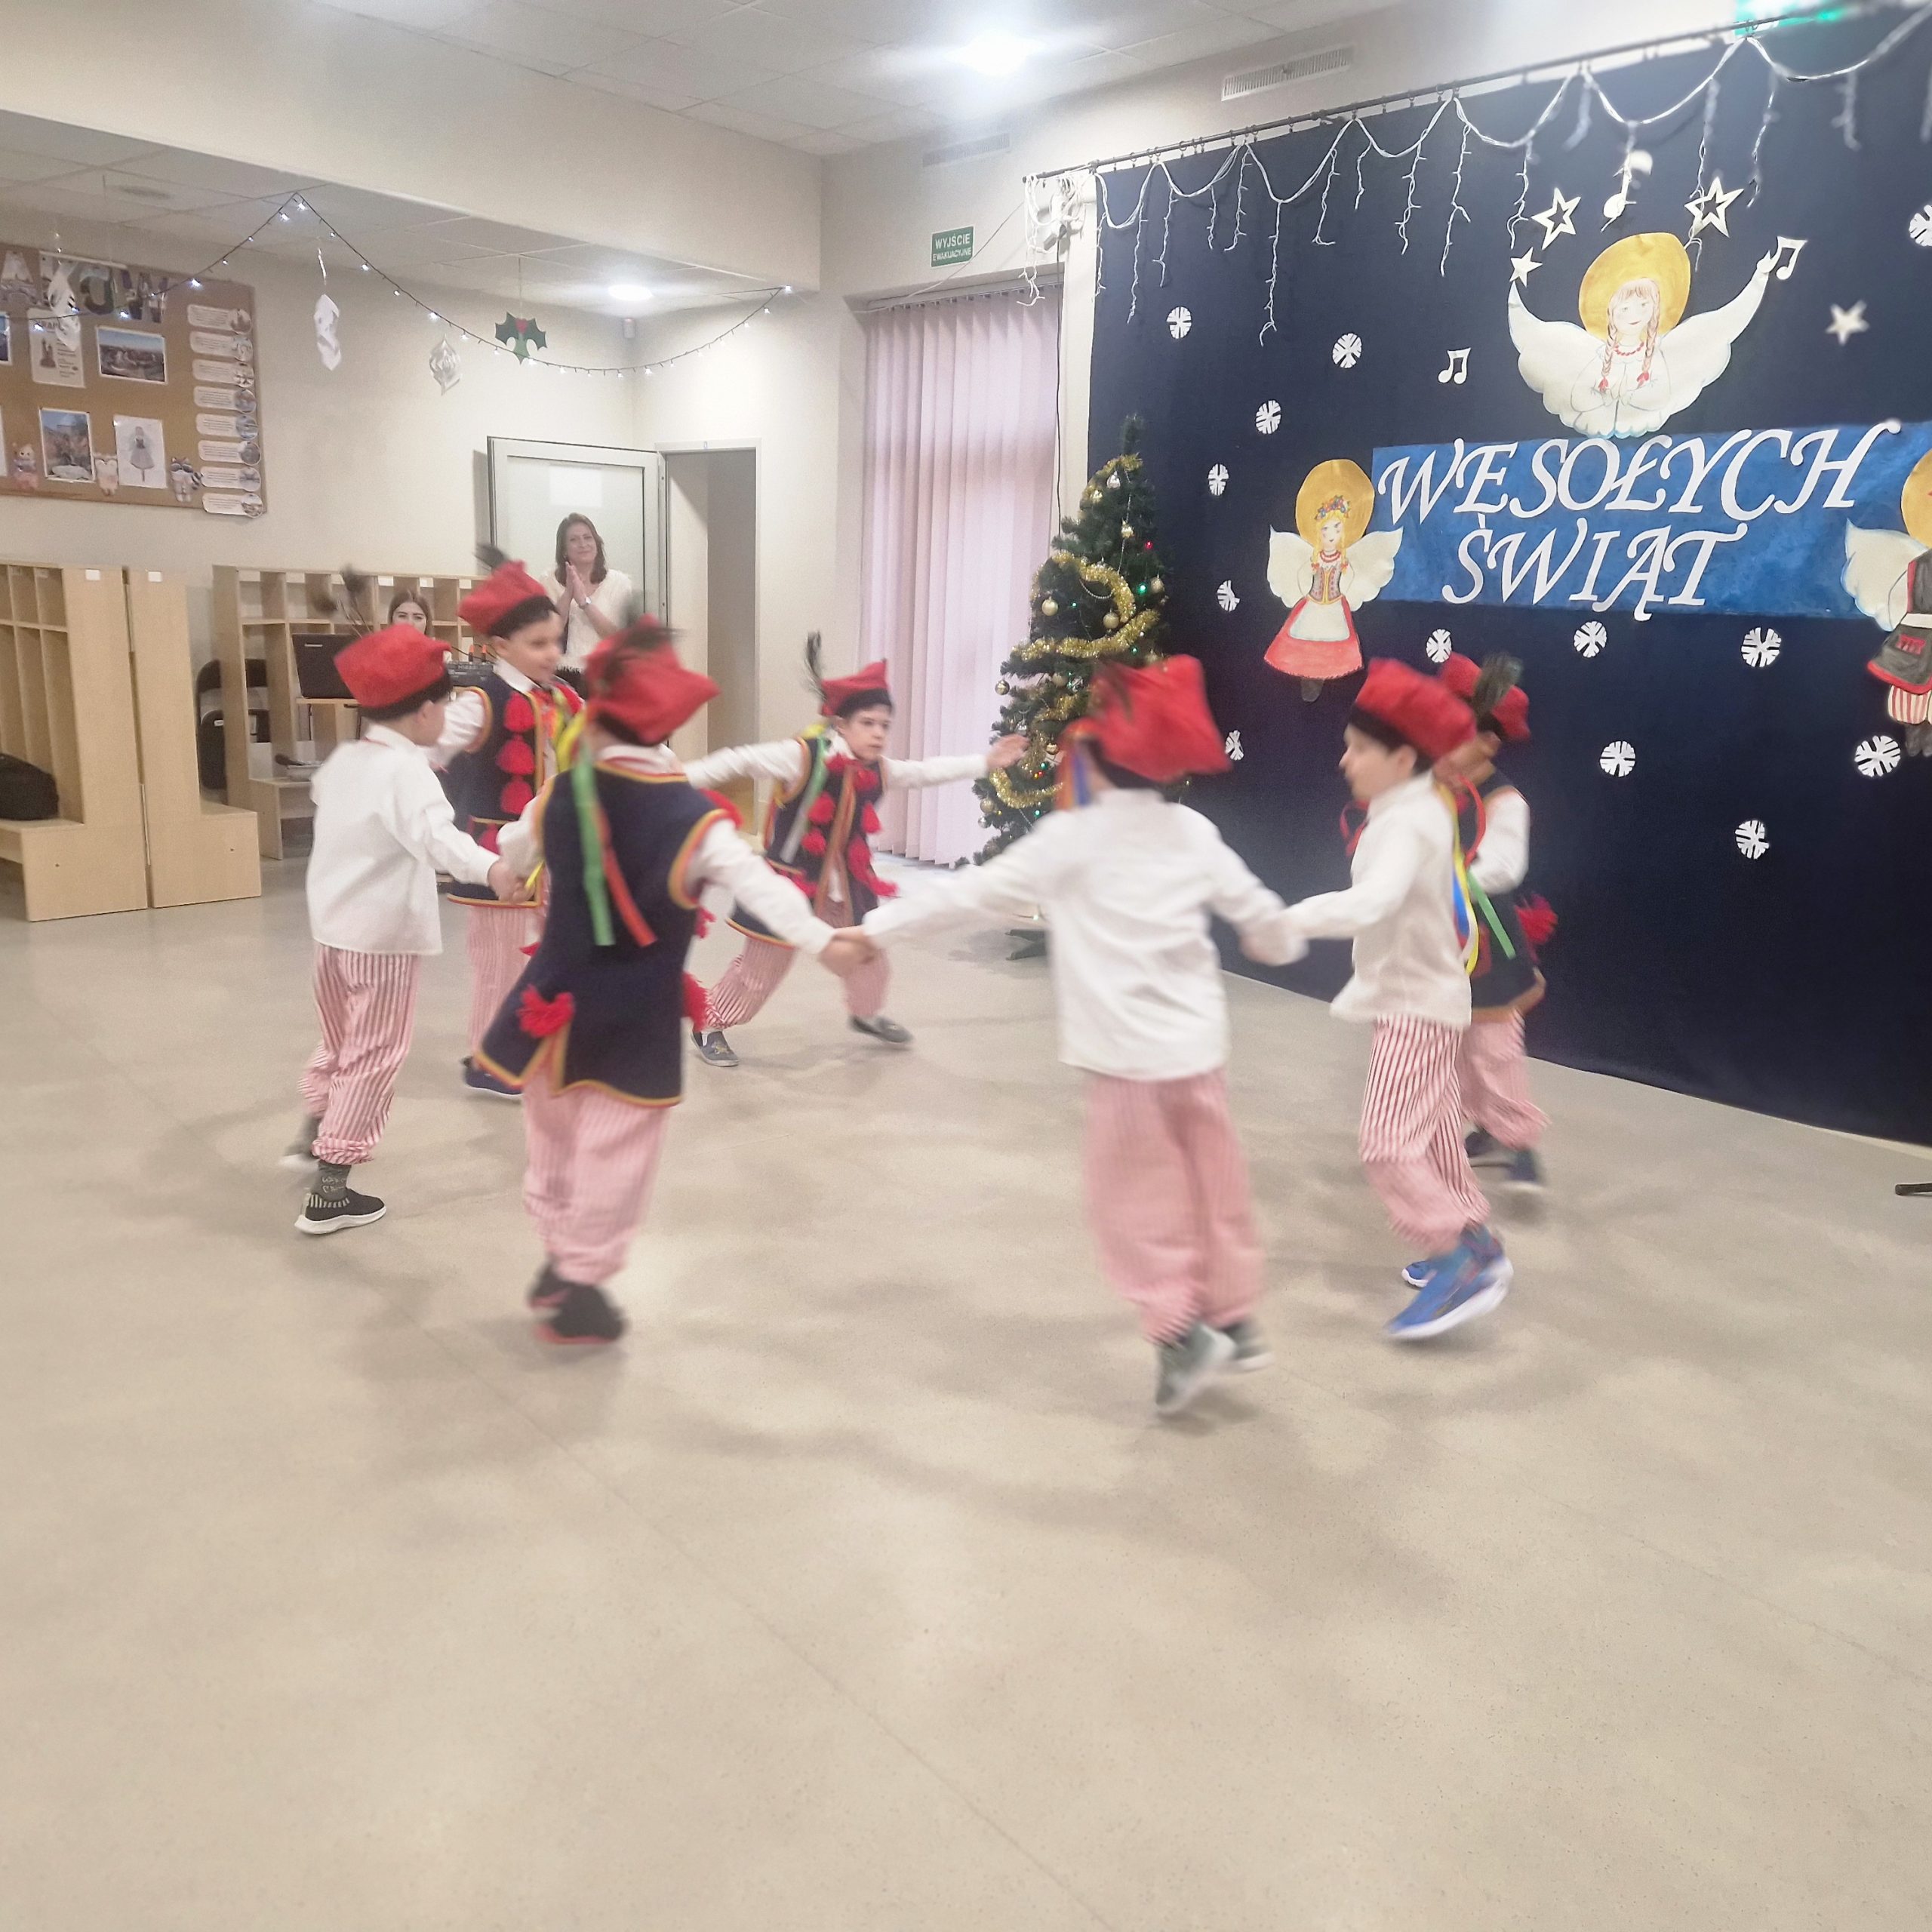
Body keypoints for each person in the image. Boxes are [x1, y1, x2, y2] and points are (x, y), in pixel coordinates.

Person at [835, 656, 1302, 1419]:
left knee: (1131, 1201)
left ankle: (1179, 1329)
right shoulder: (1193, 831)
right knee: (1213, 1180)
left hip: (1124, 1060)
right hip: (1198, 1053)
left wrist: (874, 929)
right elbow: (1258, 914)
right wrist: (1276, 940)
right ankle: (1234, 1313)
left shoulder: (1071, 838)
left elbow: (968, 893)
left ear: (1096, 757)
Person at [480, 623, 851, 1346]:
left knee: (552, 1135)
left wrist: (506, 868)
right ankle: (580, 1281)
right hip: (633, 1024)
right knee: (615, 1152)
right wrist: (824, 941)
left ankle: (558, 1253)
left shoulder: (561, 793)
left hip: (550, 1008)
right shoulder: (696, 820)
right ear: (669, 727)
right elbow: (762, 886)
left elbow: (513, 850)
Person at [1281, 658, 1512, 1341]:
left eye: (1359, 748)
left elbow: (1373, 901)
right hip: (1425, 999)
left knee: (1386, 1143)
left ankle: (1456, 1257)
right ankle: (1476, 1240)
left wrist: (1289, 919)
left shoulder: (1408, 821)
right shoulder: (1409, 811)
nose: (1345, 760)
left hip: (1417, 1007)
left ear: (1403, 757)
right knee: (1435, 1134)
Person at [682, 636, 1026, 1067]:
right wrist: (672, 778)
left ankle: (865, 1014)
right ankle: (709, 1023)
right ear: (841, 725)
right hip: (789, 887)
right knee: (760, 972)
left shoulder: (879, 770)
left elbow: (925, 772)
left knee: (870, 957)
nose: (878, 733)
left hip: (846, 886)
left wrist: (985, 763)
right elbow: (738, 760)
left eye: (884, 724)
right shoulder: (801, 757)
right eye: (868, 723)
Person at [284, 622, 525, 1235]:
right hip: (383, 938)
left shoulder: (347, 759)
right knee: (376, 1052)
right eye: (446, 704)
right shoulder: (407, 771)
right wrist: (493, 868)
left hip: (332, 931)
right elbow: (439, 838)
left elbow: (330, 802)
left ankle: (313, 1130)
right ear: (424, 713)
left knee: (341, 1040)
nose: (449, 715)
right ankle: (330, 1191)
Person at [435, 558, 583, 1097]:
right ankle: (488, 1060)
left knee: (563, 949)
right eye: (538, 644)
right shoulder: (479, 704)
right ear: (500, 646)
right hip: (500, 856)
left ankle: (534, 1040)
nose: (552, 654)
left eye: (556, 642)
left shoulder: (564, 698)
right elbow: (427, 751)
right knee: (497, 961)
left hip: (556, 853)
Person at [1435, 652, 1549, 1190]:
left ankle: (1518, 1139)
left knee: (1493, 1047)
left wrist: (1446, 881)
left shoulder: (1506, 801)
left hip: (1486, 943)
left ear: (1488, 742)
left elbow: (1503, 866)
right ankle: (1480, 1127)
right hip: (1438, 938)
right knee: (1448, 1046)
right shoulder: (1434, 789)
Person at [544, 514, 633, 672]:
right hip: (561, 671)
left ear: (597, 543)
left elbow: (619, 639)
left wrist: (584, 602)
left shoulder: (619, 583)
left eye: (588, 538)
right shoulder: (549, 581)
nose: (583, 544)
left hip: (606, 672)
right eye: (574, 540)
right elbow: (548, 632)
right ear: (564, 550)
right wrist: (568, 594)